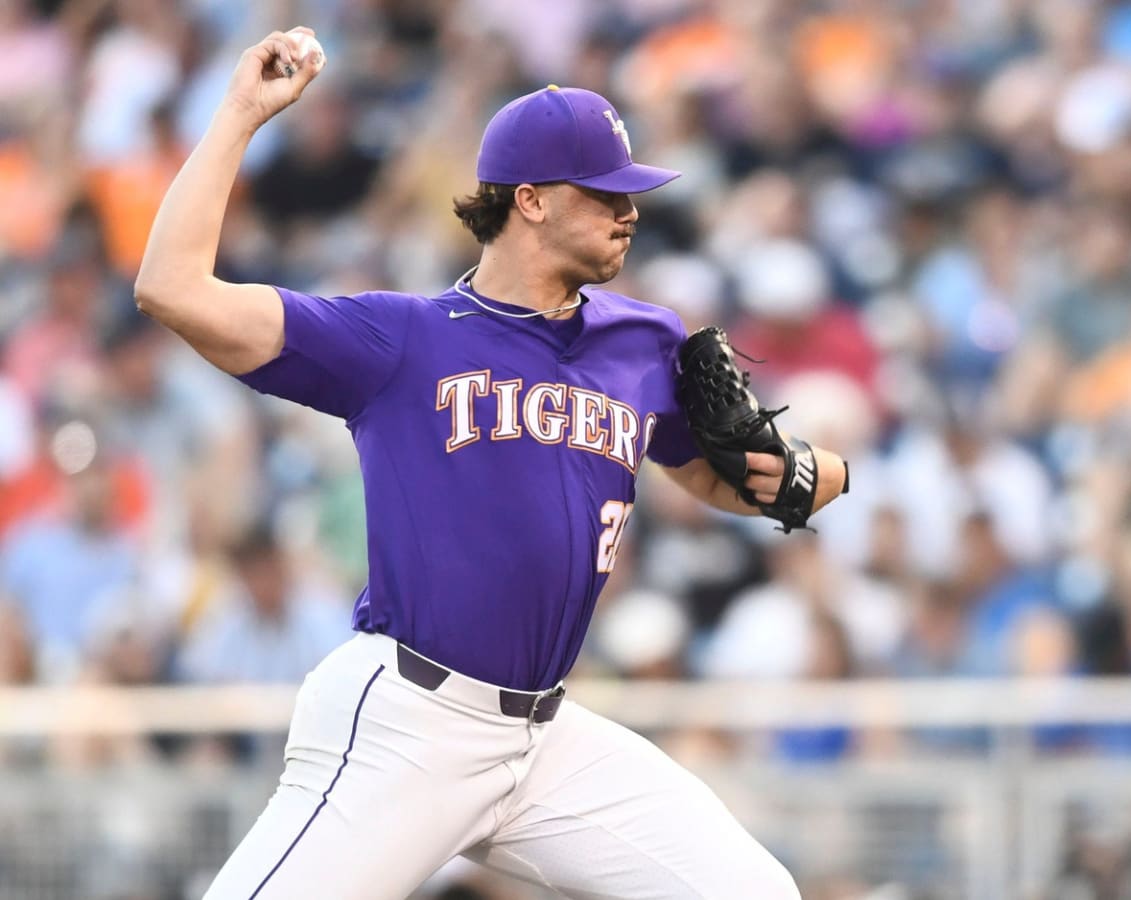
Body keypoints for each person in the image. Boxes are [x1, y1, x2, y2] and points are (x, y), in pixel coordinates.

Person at [134, 27, 847, 900]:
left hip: (546, 743)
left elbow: (712, 475)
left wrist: (814, 474)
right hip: (410, 723)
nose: (629, 209)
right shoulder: (400, 339)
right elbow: (171, 287)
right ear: (532, 200)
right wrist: (242, 115)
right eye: (603, 192)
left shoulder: (646, 339)